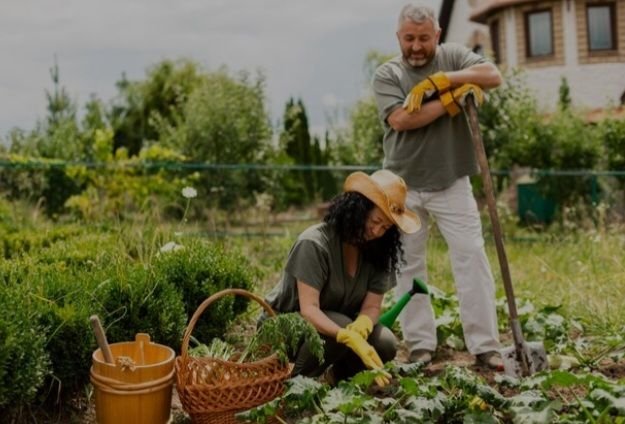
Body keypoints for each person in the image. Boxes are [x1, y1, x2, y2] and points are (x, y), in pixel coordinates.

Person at [371, 3, 504, 369]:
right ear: (399, 36)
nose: (416, 46)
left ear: (438, 35)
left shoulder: (453, 57)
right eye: (409, 38)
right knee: (409, 266)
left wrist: (445, 79)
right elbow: (400, 119)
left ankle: (485, 345)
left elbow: (492, 75)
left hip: (451, 181)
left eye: (424, 38)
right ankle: (420, 344)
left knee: (471, 257)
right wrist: (449, 103)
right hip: (403, 186)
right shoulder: (388, 73)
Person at [264, 170, 420, 386]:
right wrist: (347, 335)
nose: (377, 231)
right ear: (359, 209)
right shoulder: (315, 244)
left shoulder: (379, 251)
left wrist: (363, 325)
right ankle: (293, 384)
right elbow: (308, 310)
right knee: (341, 325)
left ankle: (338, 379)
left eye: (386, 227)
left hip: (332, 325)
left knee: (384, 343)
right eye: (375, 221)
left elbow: (372, 307)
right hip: (285, 327)